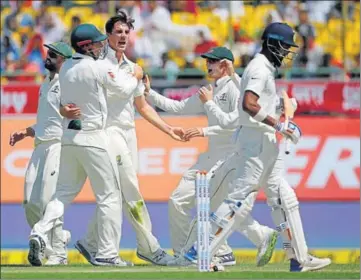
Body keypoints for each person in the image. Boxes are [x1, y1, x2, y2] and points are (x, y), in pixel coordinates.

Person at [185, 22, 332, 272]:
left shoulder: (263, 68)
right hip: (256, 143)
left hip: (264, 142)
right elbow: (249, 104)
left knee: (284, 199)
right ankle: (200, 250)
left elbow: (257, 102)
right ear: (273, 44)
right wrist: (279, 124)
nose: (287, 53)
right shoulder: (259, 69)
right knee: (238, 200)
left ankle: (299, 257)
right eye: (285, 47)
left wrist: (283, 114)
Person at [63, 11, 183, 266]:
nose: (123, 36)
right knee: (130, 191)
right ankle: (149, 247)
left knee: (118, 192)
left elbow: (142, 106)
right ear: (106, 37)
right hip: (107, 133)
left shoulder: (131, 67)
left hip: (128, 134)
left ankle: (90, 242)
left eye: (127, 32)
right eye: (118, 32)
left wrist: (168, 128)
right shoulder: (97, 64)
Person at [144, 47, 278, 267]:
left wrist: (205, 120)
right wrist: (149, 93)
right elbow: (177, 107)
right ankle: (255, 237)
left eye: (213, 61)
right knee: (178, 200)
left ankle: (194, 255)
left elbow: (233, 124)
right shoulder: (210, 90)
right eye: (207, 60)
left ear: (225, 64)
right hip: (209, 158)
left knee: (213, 211)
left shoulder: (237, 89)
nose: (208, 65)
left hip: (228, 160)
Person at [27, 23, 141, 267]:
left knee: (61, 195)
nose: (101, 46)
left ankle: (39, 230)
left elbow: (57, 104)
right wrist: (136, 75)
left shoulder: (66, 67)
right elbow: (123, 89)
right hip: (94, 139)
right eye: (98, 42)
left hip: (69, 139)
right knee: (110, 196)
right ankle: (107, 254)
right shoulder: (97, 67)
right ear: (86, 46)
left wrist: (63, 110)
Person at [9, 42, 73, 265]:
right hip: (39, 146)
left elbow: (75, 117)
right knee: (29, 202)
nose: (48, 57)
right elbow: (45, 120)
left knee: (47, 200)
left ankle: (56, 250)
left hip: (58, 146)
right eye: (48, 53)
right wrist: (24, 132)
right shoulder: (44, 83)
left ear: (64, 61)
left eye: (53, 55)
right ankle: (58, 241)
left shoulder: (69, 84)